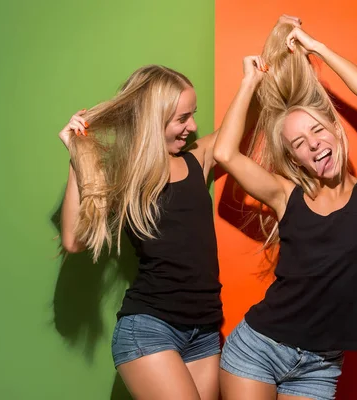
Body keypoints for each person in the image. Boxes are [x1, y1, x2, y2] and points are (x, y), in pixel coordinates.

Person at [213, 22, 357, 399]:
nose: (313, 145)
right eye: (299, 143)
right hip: (257, 349)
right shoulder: (286, 196)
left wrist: (317, 49)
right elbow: (225, 154)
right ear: (295, 159)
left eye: (317, 131)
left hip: (320, 365)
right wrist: (249, 82)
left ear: (334, 127)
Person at [58, 65, 222, 400]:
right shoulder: (121, 175)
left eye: (194, 115)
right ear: (153, 121)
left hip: (205, 331)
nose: (192, 126)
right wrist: (79, 155)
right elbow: (74, 241)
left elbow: (238, 126)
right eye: (182, 118)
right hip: (150, 329)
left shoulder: (197, 159)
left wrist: (262, 69)